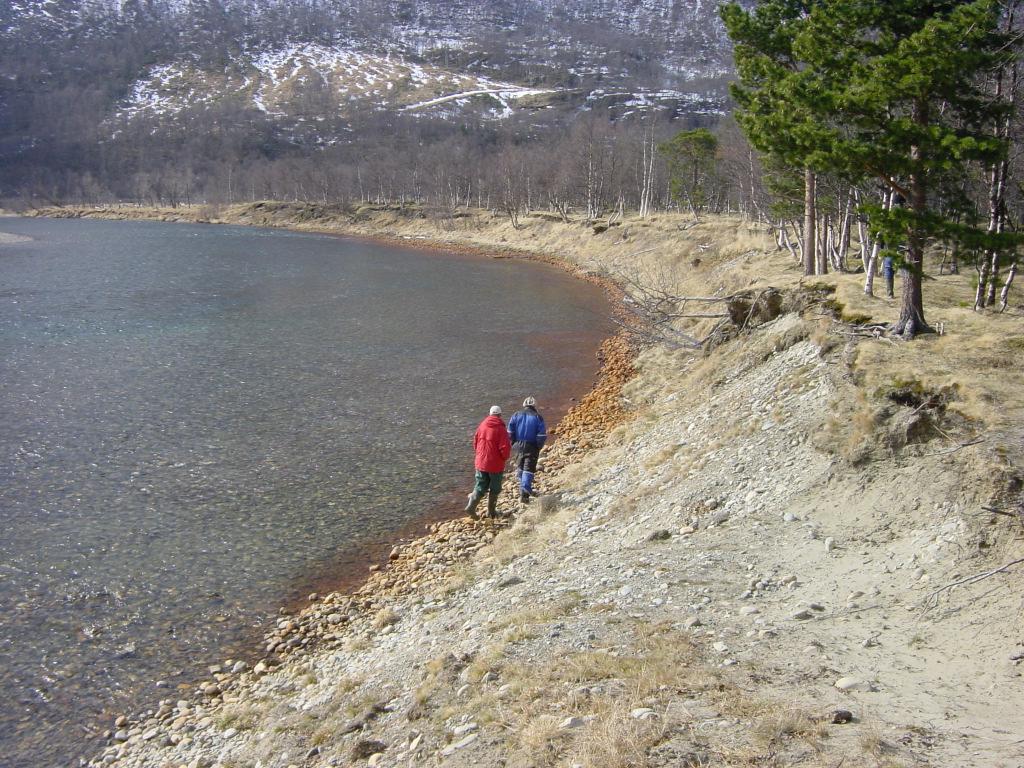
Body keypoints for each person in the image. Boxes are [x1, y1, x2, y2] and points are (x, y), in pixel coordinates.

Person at [465, 405, 511, 519]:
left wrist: (479, 455)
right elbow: (505, 448)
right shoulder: (501, 428)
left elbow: (475, 442)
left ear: (490, 414)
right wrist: (504, 458)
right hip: (495, 464)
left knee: (480, 485)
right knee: (495, 488)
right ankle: (491, 512)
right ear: (500, 415)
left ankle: (471, 506)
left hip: (480, 462)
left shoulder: (482, 425)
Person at [507, 396, 547, 504]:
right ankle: (525, 492)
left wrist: (513, 443)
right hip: (532, 445)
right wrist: (539, 446)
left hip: (518, 445)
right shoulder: (538, 417)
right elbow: (542, 435)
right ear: (535, 406)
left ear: (524, 405)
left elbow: (510, 432)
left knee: (520, 467)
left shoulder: (516, 415)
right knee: (528, 469)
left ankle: (523, 489)